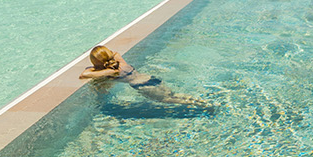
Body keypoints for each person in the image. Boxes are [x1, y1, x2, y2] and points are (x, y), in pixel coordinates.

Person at [80, 44, 214, 110]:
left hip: (143, 86)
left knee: (169, 99)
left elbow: (84, 75)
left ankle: (203, 105)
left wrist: (99, 70)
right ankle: (201, 101)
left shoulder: (109, 72)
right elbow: (114, 53)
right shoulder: (120, 60)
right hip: (149, 78)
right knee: (174, 94)